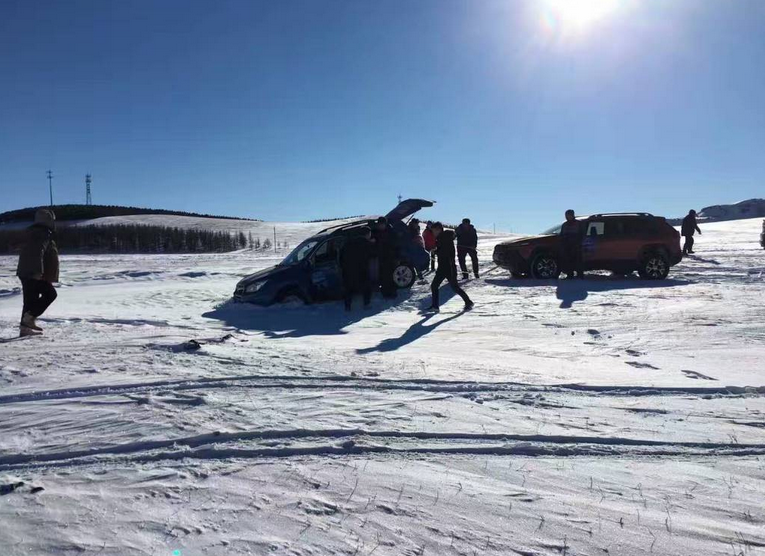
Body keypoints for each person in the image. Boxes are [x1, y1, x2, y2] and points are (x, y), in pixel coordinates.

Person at [16, 208, 59, 336]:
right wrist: (37, 271)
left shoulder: (36, 232)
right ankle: (28, 319)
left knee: (30, 301)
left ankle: (25, 328)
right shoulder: (42, 233)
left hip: (28, 271)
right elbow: (36, 252)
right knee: (50, 294)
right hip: (33, 272)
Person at [428, 222, 473, 312]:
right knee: (435, 286)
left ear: (438, 229)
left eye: (433, 231)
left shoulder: (445, 238)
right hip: (443, 267)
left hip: (449, 267)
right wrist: (436, 250)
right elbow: (443, 250)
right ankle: (435, 306)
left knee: (454, 287)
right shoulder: (442, 238)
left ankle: (468, 302)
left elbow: (447, 253)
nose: (433, 233)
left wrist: (436, 251)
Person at [340, 227, 373, 311]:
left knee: (348, 288)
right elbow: (372, 254)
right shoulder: (366, 243)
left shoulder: (348, 242)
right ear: (367, 234)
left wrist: (343, 267)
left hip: (348, 269)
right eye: (369, 234)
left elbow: (341, 256)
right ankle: (366, 304)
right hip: (361, 268)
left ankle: (347, 306)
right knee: (366, 286)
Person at [372, 216, 397, 299]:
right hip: (380, 256)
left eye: (382, 224)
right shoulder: (375, 232)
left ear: (385, 224)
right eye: (379, 224)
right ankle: (385, 292)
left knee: (390, 275)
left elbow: (395, 244)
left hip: (390, 256)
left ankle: (392, 292)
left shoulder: (391, 231)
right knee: (382, 275)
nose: (380, 226)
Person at [559, 209, 584, 279]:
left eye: (568, 215)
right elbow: (562, 235)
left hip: (576, 246)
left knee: (578, 261)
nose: (567, 217)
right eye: (566, 215)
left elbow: (582, 234)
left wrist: (578, 243)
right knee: (568, 261)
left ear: (572, 215)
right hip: (567, 246)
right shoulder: (564, 225)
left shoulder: (578, 223)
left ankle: (580, 275)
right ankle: (570, 275)